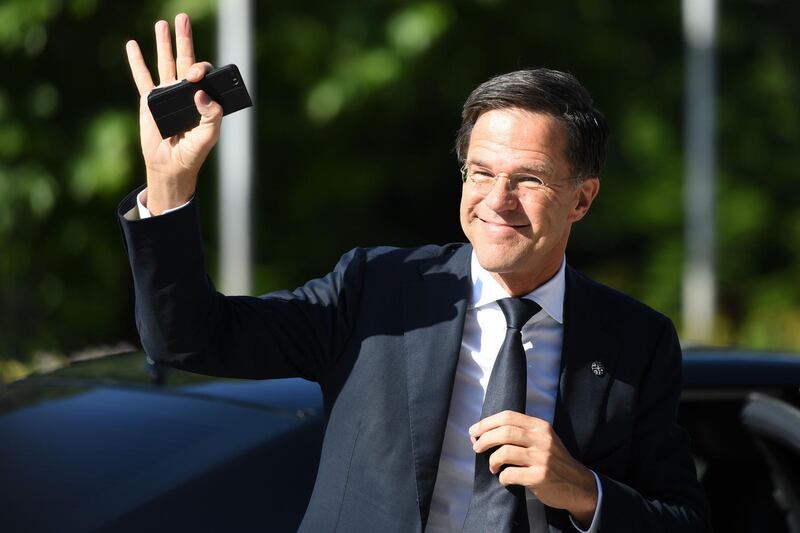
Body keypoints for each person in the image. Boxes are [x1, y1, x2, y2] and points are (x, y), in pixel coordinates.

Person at [119, 13, 709, 533]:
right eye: (480, 173)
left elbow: (682, 520)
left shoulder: (637, 340)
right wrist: (170, 183)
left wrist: (583, 492)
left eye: (527, 180)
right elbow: (189, 338)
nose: (496, 200)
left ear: (582, 200)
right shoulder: (378, 288)